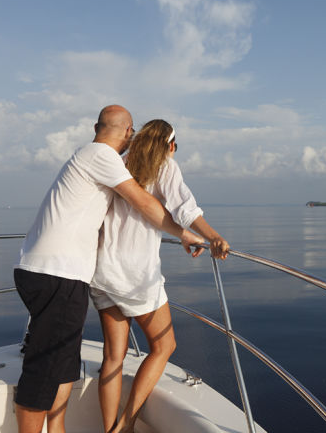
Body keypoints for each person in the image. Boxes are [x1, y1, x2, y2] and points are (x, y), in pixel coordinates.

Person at [13, 105, 205, 433]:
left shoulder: (96, 156)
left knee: (63, 364)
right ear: (129, 133)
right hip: (56, 272)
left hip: (69, 274)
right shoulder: (102, 155)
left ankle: (58, 428)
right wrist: (186, 233)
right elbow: (143, 202)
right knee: (43, 369)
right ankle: (119, 425)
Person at [91, 119, 229, 433]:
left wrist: (182, 236)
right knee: (164, 345)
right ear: (169, 146)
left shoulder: (121, 164)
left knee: (113, 356)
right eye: (175, 146)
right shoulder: (164, 165)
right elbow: (185, 206)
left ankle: (108, 428)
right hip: (135, 274)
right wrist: (213, 237)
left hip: (102, 270)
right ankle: (125, 424)